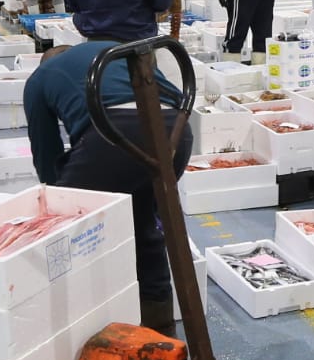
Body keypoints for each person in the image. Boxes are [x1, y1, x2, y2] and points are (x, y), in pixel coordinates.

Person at [23, 39, 192, 335]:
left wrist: (59, 197)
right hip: (176, 128)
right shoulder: (107, 50)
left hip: (116, 130)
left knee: (66, 224)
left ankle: (76, 324)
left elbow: (46, 154)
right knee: (142, 220)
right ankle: (159, 324)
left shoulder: (40, 78)